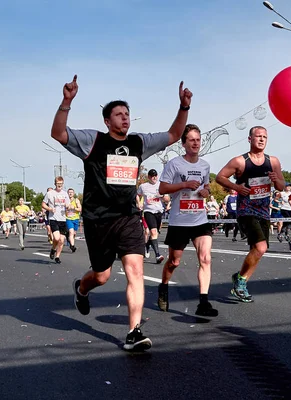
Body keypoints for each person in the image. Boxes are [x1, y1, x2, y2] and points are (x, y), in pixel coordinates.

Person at [51, 74, 193, 351]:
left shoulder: (140, 143)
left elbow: (175, 134)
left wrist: (184, 107)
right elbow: (58, 133)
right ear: (107, 121)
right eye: (119, 115)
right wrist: (66, 102)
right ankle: (81, 288)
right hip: (97, 219)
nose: (125, 119)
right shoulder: (93, 140)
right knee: (101, 276)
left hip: (128, 217)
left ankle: (134, 331)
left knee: (135, 271)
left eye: (127, 114)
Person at [215, 126, 285, 302]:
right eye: (258, 136)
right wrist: (237, 187)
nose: (261, 139)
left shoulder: (273, 161)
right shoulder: (240, 161)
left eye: (264, 137)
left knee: (260, 249)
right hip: (246, 210)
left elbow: (281, 186)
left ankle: (241, 279)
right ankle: (241, 283)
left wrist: (277, 181)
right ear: (249, 139)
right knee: (261, 247)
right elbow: (220, 177)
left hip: (263, 211)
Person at [157, 124, 218, 317]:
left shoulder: (205, 165)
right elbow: (162, 189)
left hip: (199, 220)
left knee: (206, 258)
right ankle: (164, 286)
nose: (195, 143)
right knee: (174, 262)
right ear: (183, 143)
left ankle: (203, 302)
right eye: (191, 139)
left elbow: (207, 188)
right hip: (179, 221)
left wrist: (205, 191)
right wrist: (184, 185)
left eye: (198, 140)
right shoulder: (174, 164)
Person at [136, 169, 165, 264]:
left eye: (156, 175)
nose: (154, 177)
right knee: (153, 231)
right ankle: (157, 255)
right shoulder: (143, 186)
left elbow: (167, 198)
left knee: (155, 234)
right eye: (152, 176)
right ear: (148, 177)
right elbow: (137, 194)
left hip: (159, 211)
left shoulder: (161, 185)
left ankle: (147, 245)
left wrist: (162, 196)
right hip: (148, 211)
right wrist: (138, 203)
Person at [42, 176, 70, 264]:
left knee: (62, 240)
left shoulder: (65, 194)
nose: (59, 185)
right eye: (58, 184)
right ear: (55, 184)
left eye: (61, 184)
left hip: (63, 219)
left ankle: (57, 256)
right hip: (53, 218)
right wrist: (50, 209)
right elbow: (43, 204)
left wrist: (68, 207)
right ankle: (53, 249)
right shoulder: (50, 193)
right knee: (57, 238)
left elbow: (68, 205)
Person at [65, 188, 82, 252]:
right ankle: (72, 246)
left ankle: (70, 242)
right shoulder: (66, 201)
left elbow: (80, 209)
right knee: (71, 232)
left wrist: (74, 208)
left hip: (76, 219)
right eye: (69, 192)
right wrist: (66, 209)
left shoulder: (76, 200)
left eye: (71, 192)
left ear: (73, 193)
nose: (70, 193)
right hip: (68, 219)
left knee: (74, 233)